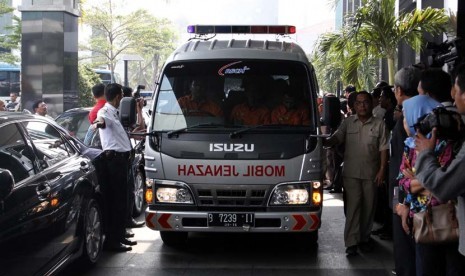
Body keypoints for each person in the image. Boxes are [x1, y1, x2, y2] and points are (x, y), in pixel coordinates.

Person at [324, 91, 389, 256]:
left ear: (371, 104)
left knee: (368, 208)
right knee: (353, 208)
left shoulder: (379, 123)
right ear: (354, 106)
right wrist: (323, 141)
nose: (362, 106)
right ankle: (351, 243)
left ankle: (364, 239)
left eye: (365, 102)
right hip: (351, 173)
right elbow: (337, 138)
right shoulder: (348, 123)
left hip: (371, 173)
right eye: (359, 103)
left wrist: (382, 170)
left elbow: (384, 149)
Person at [413, 65, 465, 272]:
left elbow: (443, 186)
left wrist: (426, 152)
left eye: (457, 88)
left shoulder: (431, 129)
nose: (453, 95)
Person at [93, 83, 136, 252]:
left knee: (122, 201)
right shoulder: (105, 111)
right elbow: (101, 121)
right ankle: (113, 241)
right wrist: (97, 123)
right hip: (115, 161)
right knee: (116, 202)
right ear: (118, 96)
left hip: (121, 160)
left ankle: (120, 235)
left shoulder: (116, 112)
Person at [390, 66, 421, 276]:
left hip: (408, 198)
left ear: (399, 90)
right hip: (413, 196)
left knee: (407, 253)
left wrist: (400, 203)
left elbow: (406, 167)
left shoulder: (408, 118)